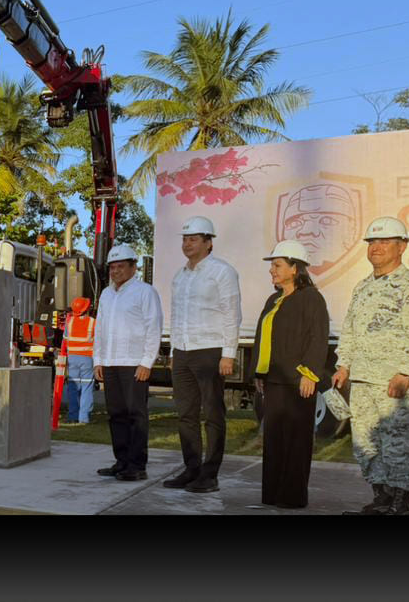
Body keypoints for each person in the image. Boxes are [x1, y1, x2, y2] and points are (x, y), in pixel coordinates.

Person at [332, 216, 409, 515]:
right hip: (363, 381)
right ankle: (381, 500)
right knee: (366, 445)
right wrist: (343, 365)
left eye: (385, 241)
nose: (376, 247)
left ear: (402, 247)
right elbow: (350, 329)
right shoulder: (362, 287)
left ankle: (400, 505)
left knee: (399, 447)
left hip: (394, 383)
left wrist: (404, 371)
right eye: (372, 242)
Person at [164, 216, 241, 494]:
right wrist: (174, 349)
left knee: (212, 414)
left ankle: (210, 475)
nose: (187, 244)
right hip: (183, 351)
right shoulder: (179, 275)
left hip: (210, 350)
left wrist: (228, 354)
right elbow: (177, 315)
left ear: (209, 243)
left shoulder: (222, 272)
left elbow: (232, 314)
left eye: (194, 239)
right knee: (185, 413)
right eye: (185, 239)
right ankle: (191, 469)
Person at [253, 240, 329, 509]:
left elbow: (318, 337)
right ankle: (273, 494)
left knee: (296, 441)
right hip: (273, 380)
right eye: (272, 265)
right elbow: (263, 338)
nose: (271, 270)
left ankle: (292, 497)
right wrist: (259, 372)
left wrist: (310, 373)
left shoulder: (311, 299)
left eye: (277, 265)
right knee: (273, 440)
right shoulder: (274, 299)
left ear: (295, 268)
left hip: (298, 381)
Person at [92, 244, 162, 482]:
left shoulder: (145, 292)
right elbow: (100, 328)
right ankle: (121, 461)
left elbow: (154, 328)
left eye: (121, 266)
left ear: (134, 267)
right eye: (112, 267)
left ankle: (137, 465)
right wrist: (98, 360)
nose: (116, 271)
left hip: (134, 363)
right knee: (116, 414)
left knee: (136, 415)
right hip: (110, 363)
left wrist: (146, 362)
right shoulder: (106, 294)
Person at [60, 297, 96, 424]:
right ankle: (84, 418)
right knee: (87, 387)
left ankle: (72, 416)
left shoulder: (69, 323)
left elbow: (65, 340)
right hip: (87, 359)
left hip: (72, 359)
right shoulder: (93, 322)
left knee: (73, 387)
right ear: (87, 309)